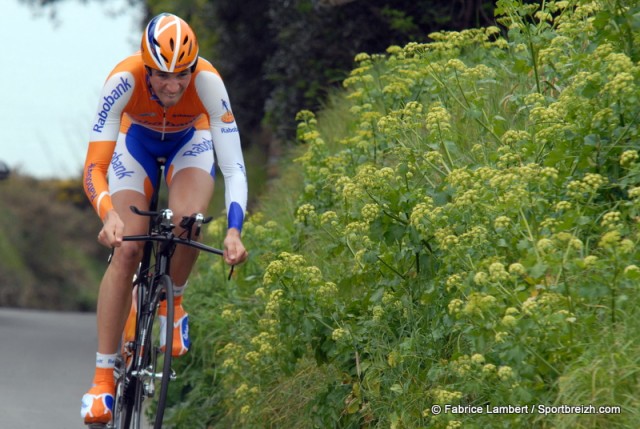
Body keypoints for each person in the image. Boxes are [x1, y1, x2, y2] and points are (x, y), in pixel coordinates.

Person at [80, 12, 248, 425]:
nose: (174, 86)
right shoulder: (123, 79)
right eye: (162, 76)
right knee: (129, 247)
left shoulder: (208, 82)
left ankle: (174, 302)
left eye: (182, 75)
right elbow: (93, 169)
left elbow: (234, 168)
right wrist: (108, 216)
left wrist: (233, 230)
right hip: (133, 143)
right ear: (145, 67)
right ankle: (102, 380)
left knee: (189, 221)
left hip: (191, 140)